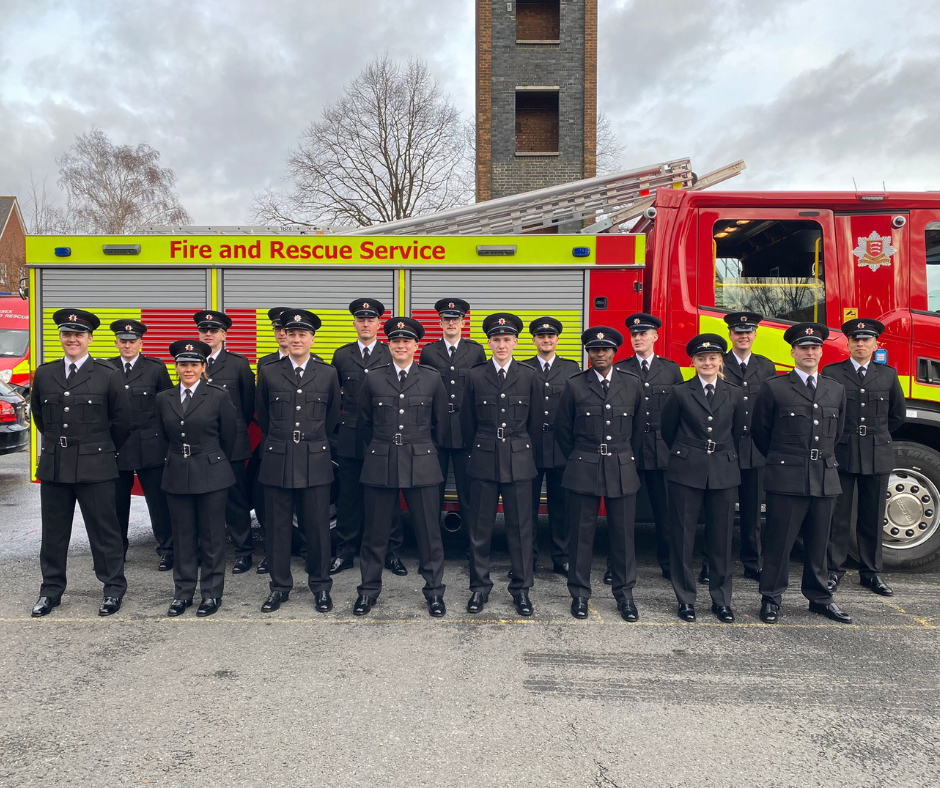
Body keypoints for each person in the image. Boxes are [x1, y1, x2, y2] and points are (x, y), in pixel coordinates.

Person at [30, 309, 132, 618]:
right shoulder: (46, 373)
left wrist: (96, 449)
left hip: (95, 465)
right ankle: (50, 590)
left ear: (89, 339)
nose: (71, 339)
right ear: (60, 338)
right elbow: (40, 416)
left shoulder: (108, 374)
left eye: (78, 335)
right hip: (55, 464)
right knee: (54, 533)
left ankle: (113, 588)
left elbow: (122, 422)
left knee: (105, 532)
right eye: (66, 334)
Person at [751, 322, 851, 624]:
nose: (809, 352)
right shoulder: (775, 387)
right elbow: (761, 432)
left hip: (823, 475)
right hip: (787, 476)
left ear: (821, 352)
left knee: (820, 543)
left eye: (815, 347)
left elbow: (839, 432)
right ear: (793, 352)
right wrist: (787, 460)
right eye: (804, 347)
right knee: (779, 542)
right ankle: (771, 598)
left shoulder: (836, 389)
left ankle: (819, 598)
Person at [352, 317, 448, 617]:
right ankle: (368, 591)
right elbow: (364, 423)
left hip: (422, 462)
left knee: (429, 533)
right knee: (375, 533)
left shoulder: (432, 378)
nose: (401, 345)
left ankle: (434, 592)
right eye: (395, 341)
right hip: (382, 460)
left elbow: (441, 426)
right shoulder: (374, 378)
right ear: (388, 345)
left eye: (406, 341)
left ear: (416, 346)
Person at [554, 327, 643, 622]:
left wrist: (625, 457)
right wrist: (582, 455)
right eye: (594, 350)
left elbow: (639, 431)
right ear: (588, 353)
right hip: (584, 464)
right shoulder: (575, 385)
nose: (599, 354)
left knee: (623, 536)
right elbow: (563, 429)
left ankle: (625, 595)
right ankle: (579, 594)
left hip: (621, 465)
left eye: (604, 350)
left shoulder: (631, 384)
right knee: (581, 535)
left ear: (614, 352)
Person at [255, 310, 340, 613]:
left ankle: (320, 586)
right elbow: (263, 415)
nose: (296, 339)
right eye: (292, 334)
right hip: (278, 458)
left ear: (312, 339)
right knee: (278, 528)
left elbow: (331, 418)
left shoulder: (327, 372)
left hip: (314, 459)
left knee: (317, 527)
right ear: (285, 338)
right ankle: (279, 587)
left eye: (302, 334)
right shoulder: (268, 371)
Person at [460, 312, 541, 617]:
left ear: (516, 342)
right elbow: (467, 422)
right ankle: (479, 588)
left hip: (519, 459)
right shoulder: (475, 375)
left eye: (507, 339)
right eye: (496, 339)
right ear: (489, 342)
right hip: (483, 458)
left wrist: (519, 446)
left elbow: (534, 421)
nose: (502, 344)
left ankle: (521, 590)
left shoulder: (529, 375)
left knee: (521, 530)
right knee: (479, 529)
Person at [661, 334, 745, 623]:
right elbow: (667, 431)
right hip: (687, 470)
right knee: (683, 537)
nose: (707, 363)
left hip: (722, 469)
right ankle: (686, 599)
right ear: (693, 362)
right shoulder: (680, 392)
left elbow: (737, 432)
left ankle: (722, 600)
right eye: (701, 358)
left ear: (721, 360)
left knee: (721, 539)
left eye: (712, 358)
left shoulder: (734, 393)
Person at [156, 340, 238, 617]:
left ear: (204, 367)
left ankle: (212, 594)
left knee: (212, 536)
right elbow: (162, 436)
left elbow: (229, 435)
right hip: (178, 471)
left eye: (194, 364)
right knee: (183, 537)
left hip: (211, 470)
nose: (188, 369)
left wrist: (210, 457)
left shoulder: (217, 395)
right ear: (176, 367)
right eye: (183, 364)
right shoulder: (164, 397)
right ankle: (183, 593)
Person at [824, 318, 906, 596]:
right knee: (839, 516)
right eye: (856, 340)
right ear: (847, 343)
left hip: (877, 451)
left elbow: (897, 415)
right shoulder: (832, 373)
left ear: (876, 344)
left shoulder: (888, 375)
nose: (861, 344)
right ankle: (834, 571)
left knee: (872, 516)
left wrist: (874, 434)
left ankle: (871, 573)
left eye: (866, 340)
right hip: (844, 450)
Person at [330, 298, 406, 576]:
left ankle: (391, 552)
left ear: (378, 325)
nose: (365, 324)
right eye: (360, 319)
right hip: (350, 436)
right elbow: (333, 398)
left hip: (382, 436)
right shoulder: (341, 355)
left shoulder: (390, 353)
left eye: (370, 320)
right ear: (354, 324)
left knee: (388, 495)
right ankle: (346, 552)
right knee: (349, 496)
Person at [615, 313, 683, 581]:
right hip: (629, 449)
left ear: (655, 336)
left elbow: (680, 411)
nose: (638, 338)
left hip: (661, 450)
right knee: (623, 515)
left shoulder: (670, 369)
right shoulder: (620, 369)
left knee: (666, 512)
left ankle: (669, 564)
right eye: (634, 334)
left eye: (643, 334)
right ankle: (618, 565)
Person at [106, 319, 174, 570]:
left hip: (150, 445)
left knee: (158, 502)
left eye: (132, 341)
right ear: (116, 343)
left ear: (140, 343)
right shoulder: (106, 368)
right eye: (122, 341)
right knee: (116, 503)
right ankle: (116, 552)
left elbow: (168, 405)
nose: (127, 345)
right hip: (117, 445)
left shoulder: (155, 368)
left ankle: (167, 550)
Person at [194, 310, 256, 574]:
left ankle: (244, 551)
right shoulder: (191, 362)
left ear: (224, 334)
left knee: (235, 499)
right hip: (199, 444)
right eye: (204, 330)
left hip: (231, 444)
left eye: (214, 330)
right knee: (200, 498)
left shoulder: (238, 364)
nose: (209, 334)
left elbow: (248, 402)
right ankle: (203, 550)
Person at [417, 298, 486, 534]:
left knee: (468, 491)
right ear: (440, 322)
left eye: (456, 319)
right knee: (432, 490)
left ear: (463, 322)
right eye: (447, 319)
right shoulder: (428, 351)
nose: (451, 323)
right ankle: (432, 545)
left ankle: (471, 546)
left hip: (466, 429)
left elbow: (482, 388)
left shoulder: (476, 350)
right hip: (436, 430)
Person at [719, 311, 777, 581]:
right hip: (726, 448)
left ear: (755, 335)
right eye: (738, 332)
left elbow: (770, 409)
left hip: (754, 450)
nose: (743, 336)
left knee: (753, 512)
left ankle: (753, 562)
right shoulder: (718, 363)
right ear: (730, 335)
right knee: (719, 510)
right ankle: (714, 563)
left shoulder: (766, 367)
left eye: (748, 332)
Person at [520, 316, 580, 575]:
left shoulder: (571, 368)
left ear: (557, 339)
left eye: (551, 336)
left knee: (561, 506)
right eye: (541, 336)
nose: (546, 340)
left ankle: (562, 556)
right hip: (530, 446)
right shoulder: (523, 368)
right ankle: (527, 557)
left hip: (560, 446)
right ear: (533, 340)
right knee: (526, 506)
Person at [253, 306, 297, 577]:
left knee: (308, 508)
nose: (284, 334)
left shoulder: (320, 365)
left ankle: (307, 553)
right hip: (274, 444)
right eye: (280, 329)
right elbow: (261, 408)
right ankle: (272, 557)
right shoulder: (266, 365)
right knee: (274, 508)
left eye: (289, 329)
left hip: (305, 447)